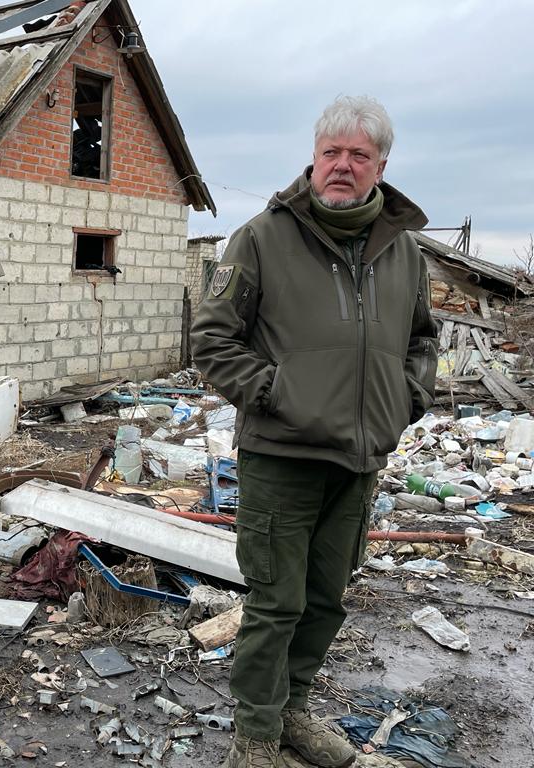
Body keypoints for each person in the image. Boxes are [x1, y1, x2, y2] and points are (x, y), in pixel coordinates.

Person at [191, 96, 438, 768]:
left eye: (359, 156)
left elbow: (422, 339)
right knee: (276, 602)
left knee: (325, 599)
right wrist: (276, 394)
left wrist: (407, 399)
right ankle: (255, 737)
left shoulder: (404, 252)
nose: (343, 166)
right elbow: (213, 341)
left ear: (381, 165)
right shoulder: (263, 237)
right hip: (281, 456)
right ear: (314, 155)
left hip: (359, 461)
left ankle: (294, 712)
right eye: (332, 152)